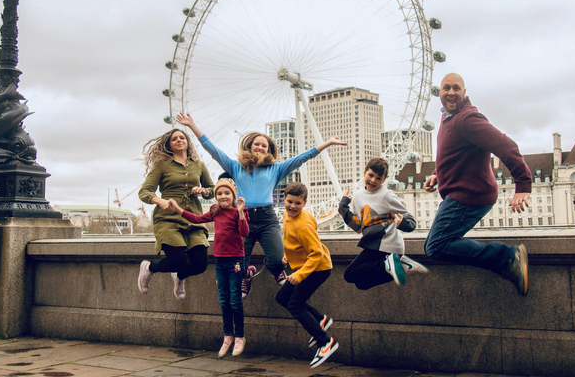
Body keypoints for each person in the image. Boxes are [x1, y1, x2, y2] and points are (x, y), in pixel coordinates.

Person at [176, 112, 347, 298]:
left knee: (278, 259)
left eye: (264, 145)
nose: (260, 147)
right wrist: (192, 125)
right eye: (256, 144)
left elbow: (302, 158)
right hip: (242, 218)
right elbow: (213, 150)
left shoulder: (276, 169)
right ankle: (247, 275)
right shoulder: (234, 167)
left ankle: (274, 270)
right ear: (250, 147)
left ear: (268, 150)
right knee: (235, 266)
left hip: (267, 219)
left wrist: (327, 143)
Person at [423, 73, 532, 295]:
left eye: (456, 88)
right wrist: (437, 174)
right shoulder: (448, 118)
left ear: (464, 92)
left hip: (469, 195)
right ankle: (507, 260)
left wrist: (523, 184)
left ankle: (508, 257)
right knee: (435, 245)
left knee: (436, 246)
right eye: (446, 88)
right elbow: (454, 152)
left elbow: (506, 145)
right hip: (459, 191)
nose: (451, 92)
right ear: (439, 93)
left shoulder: (467, 119)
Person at [165, 178, 250, 358]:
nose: (223, 196)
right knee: (223, 300)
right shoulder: (215, 211)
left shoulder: (239, 212)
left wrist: (241, 213)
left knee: (235, 300)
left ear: (233, 195)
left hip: (236, 261)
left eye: (227, 193)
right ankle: (228, 335)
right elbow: (196, 219)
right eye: (219, 193)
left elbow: (244, 233)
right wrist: (179, 210)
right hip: (220, 261)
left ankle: (240, 337)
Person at [137, 128, 214, 299]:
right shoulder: (162, 165)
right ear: (169, 146)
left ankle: (179, 276)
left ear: (187, 142)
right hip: (168, 219)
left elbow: (213, 189)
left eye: (182, 137)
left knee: (200, 264)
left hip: (193, 219)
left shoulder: (198, 165)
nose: (179, 140)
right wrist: (160, 201)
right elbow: (144, 192)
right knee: (178, 260)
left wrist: (203, 191)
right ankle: (149, 268)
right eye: (174, 139)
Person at [275, 182, 338, 369]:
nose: (292, 207)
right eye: (289, 202)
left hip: (317, 269)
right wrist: (288, 255)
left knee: (294, 304)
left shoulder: (303, 225)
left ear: (305, 203)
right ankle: (320, 320)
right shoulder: (288, 216)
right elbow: (292, 240)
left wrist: (300, 274)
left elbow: (316, 253)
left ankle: (325, 342)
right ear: (284, 199)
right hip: (306, 267)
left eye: (298, 203)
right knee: (282, 297)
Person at [339, 157, 427, 290]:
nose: (373, 180)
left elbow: (411, 220)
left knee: (350, 274)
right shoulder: (357, 196)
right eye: (371, 175)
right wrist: (343, 206)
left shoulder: (387, 196)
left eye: (378, 178)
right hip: (373, 243)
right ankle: (400, 265)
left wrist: (403, 223)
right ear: (364, 173)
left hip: (387, 244)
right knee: (361, 283)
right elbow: (358, 226)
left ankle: (388, 263)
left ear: (384, 180)